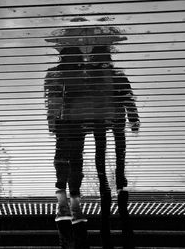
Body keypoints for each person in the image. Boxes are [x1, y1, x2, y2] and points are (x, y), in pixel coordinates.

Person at [44, 25, 139, 249]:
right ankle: (72, 199)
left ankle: (65, 200)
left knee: (65, 156)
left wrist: (52, 121)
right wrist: (132, 118)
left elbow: (52, 99)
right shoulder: (99, 73)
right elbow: (122, 95)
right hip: (82, 120)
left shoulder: (58, 73)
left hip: (70, 120)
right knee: (76, 157)